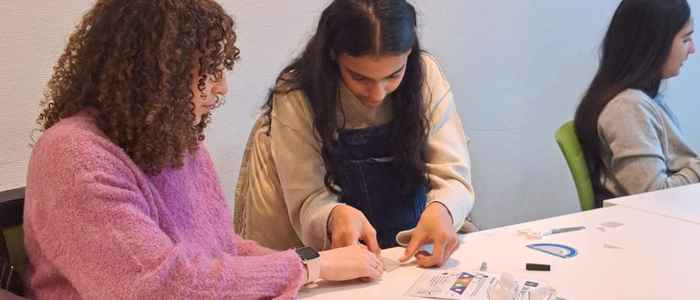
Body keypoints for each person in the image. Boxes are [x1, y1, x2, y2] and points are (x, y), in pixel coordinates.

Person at [24, 1, 383, 298]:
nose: (222, 87)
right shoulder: (71, 155)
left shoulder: (173, 141)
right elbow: (157, 287)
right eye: (209, 72)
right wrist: (308, 267)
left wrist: (309, 264)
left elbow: (221, 250)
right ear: (152, 74)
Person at [234, 0, 475, 268]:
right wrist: (333, 216)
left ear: (409, 54)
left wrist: (443, 209)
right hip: (338, 260)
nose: (377, 94)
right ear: (333, 55)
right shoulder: (297, 95)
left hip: (416, 254)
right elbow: (307, 199)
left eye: (394, 75)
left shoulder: (425, 75)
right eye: (359, 78)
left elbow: (453, 174)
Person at [574, 0, 696, 207]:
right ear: (655, 43)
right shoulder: (627, 108)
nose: (692, 49)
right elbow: (654, 196)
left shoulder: (641, 101)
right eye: (685, 39)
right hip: (654, 228)